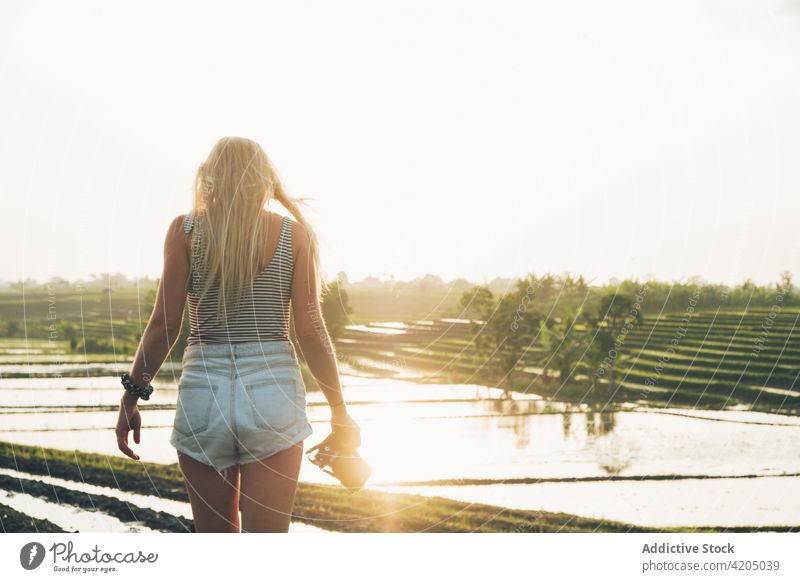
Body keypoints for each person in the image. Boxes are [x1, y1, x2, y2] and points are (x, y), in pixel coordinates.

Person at [115, 136, 360, 533]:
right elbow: (311, 330)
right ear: (264, 177)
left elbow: (165, 325)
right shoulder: (294, 235)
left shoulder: (184, 230)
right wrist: (339, 411)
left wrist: (130, 397)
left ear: (210, 177)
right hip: (273, 397)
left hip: (203, 396)